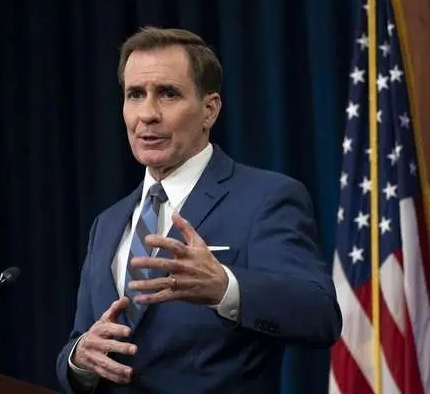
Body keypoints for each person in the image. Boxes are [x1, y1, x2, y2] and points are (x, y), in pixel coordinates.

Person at [55, 26, 342, 393]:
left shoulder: (266, 198)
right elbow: (80, 339)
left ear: (209, 110)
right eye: (135, 94)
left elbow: (319, 313)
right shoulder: (107, 223)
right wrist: (79, 358)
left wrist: (226, 287)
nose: (148, 114)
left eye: (168, 94)